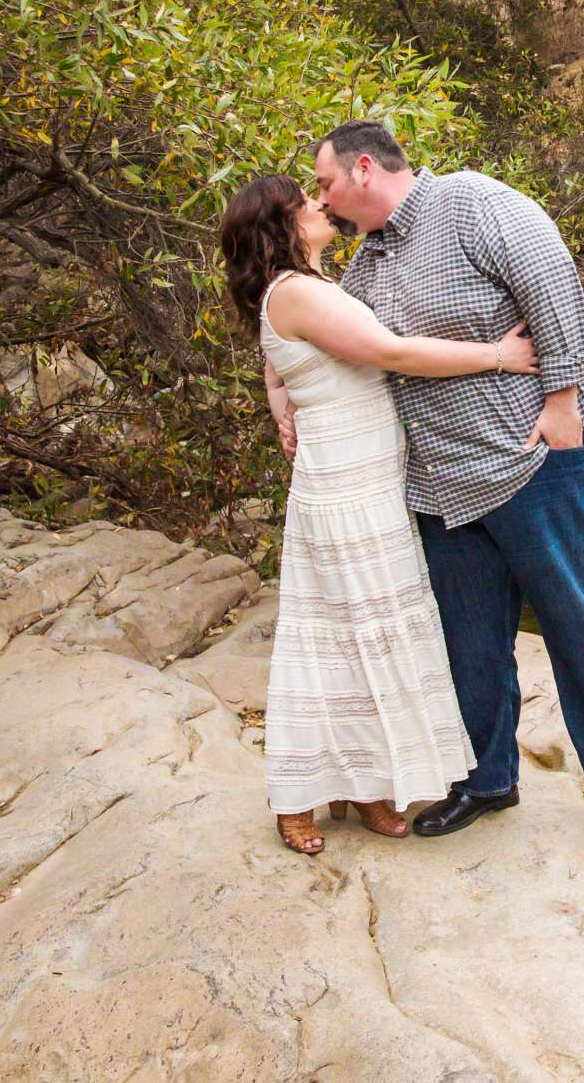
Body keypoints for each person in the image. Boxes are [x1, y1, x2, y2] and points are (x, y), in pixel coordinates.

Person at [312, 120, 584, 857]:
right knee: (470, 644)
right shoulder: (365, 268)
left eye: (326, 184)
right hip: (445, 483)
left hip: (543, 456)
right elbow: (352, 350)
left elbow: (553, 283)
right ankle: (486, 781)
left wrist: (565, 399)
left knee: (583, 624)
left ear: (365, 169)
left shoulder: (471, 202)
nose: (325, 198)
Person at [219, 174, 537, 856]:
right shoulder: (298, 292)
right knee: (335, 631)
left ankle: (362, 781)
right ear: (281, 226)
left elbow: (277, 367)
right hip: (343, 482)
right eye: (306, 204)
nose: (320, 205)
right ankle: (297, 795)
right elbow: (390, 354)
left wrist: (281, 404)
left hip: (367, 472)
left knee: (365, 627)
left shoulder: (308, 287)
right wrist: (498, 356)